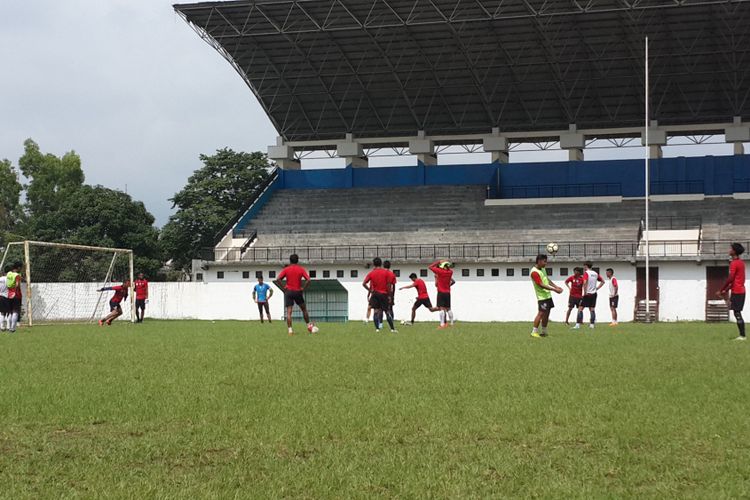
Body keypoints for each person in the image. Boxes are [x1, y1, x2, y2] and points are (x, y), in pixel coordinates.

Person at [274, 254, 314, 335]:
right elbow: (309, 280)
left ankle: (290, 331)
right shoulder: (301, 269)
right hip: (298, 291)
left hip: (288, 291)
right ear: (297, 260)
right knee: (304, 309)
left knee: (289, 312)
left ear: (290, 260)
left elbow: (278, 279)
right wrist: (303, 288)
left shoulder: (286, 269)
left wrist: (283, 288)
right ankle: (309, 326)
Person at [530, 254, 563, 338]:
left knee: (547, 314)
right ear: (539, 261)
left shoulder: (543, 269)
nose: (546, 263)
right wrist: (554, 290)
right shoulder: (534, 272)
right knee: (540, 314)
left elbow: (547, 280)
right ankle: (534, 332)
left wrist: (556, 286)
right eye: (545, 261)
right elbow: (540, 284)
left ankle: (544, 332)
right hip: (542, 297)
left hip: (548, 295)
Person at [718, 242, 746, 341]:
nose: (729, 250)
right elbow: (735, 281)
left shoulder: (734, 263)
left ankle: (742, 336)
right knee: (736, 312)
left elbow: (730, 279)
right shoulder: (741, 263)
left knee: (737, 313)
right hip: (740, 290)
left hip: (737, 292)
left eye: (731, 248)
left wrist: (722, 289)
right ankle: (742, 335)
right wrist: (725, 290)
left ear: (734, 251)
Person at [363, 257, 397, 333]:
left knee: (375, 311)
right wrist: (389, 295)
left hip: (375, 294)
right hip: (384, 294)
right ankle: (392, 329)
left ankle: (377, 329)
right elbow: (388, 285)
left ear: (374, 264)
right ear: (381, 263)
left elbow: (364, 283)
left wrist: (370, 290)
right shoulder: (386, 272)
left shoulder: (371, 273)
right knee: (387, 311)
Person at [574, 261, 604, 330]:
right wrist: (597, 288)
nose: (583, 267)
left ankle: (578, 325)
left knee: (580, 308)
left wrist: (585, 292)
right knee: (592, 309)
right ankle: (592, 325)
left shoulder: (586, 273)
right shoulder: (595, 273)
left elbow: (585, 282)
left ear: (586, 266)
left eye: (584, 266)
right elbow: (603, 281)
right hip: (594, 294)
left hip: (587, 293)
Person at [429, 259, 455, 329]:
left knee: (441, 309)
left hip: (441, 292)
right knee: (449, 308)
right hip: (448, 293)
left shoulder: (439, 272)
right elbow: (449, 270)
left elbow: (430, 267)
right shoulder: (450, 272)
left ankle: (442, 324)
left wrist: (438, 261)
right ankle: (452, 324)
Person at [6, 262, 23, 333]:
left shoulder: (9, 274)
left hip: (9, 294)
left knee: (10, 312)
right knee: (15, 311)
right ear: (18, 267)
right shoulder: (17, 275)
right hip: (16, 295)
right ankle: (13, 329)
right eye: (21, 268)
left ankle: (9, 327)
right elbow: (17, 285)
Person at [383, 260, 397, 327]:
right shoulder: (392, 274)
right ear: (390, 266)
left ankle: (379, 325)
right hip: (390, 293)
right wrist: (392, 295)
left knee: (380, 309)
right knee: (390, 308)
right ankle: (391, 323)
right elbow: (393, 286)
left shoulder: (381, 273)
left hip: (382, 292)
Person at [0, 267, 8, 332]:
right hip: (6, 296)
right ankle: (8, 326)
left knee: (2, 313)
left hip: (0, 296)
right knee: (8, 312)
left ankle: (2, 326)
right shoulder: (8, 279)